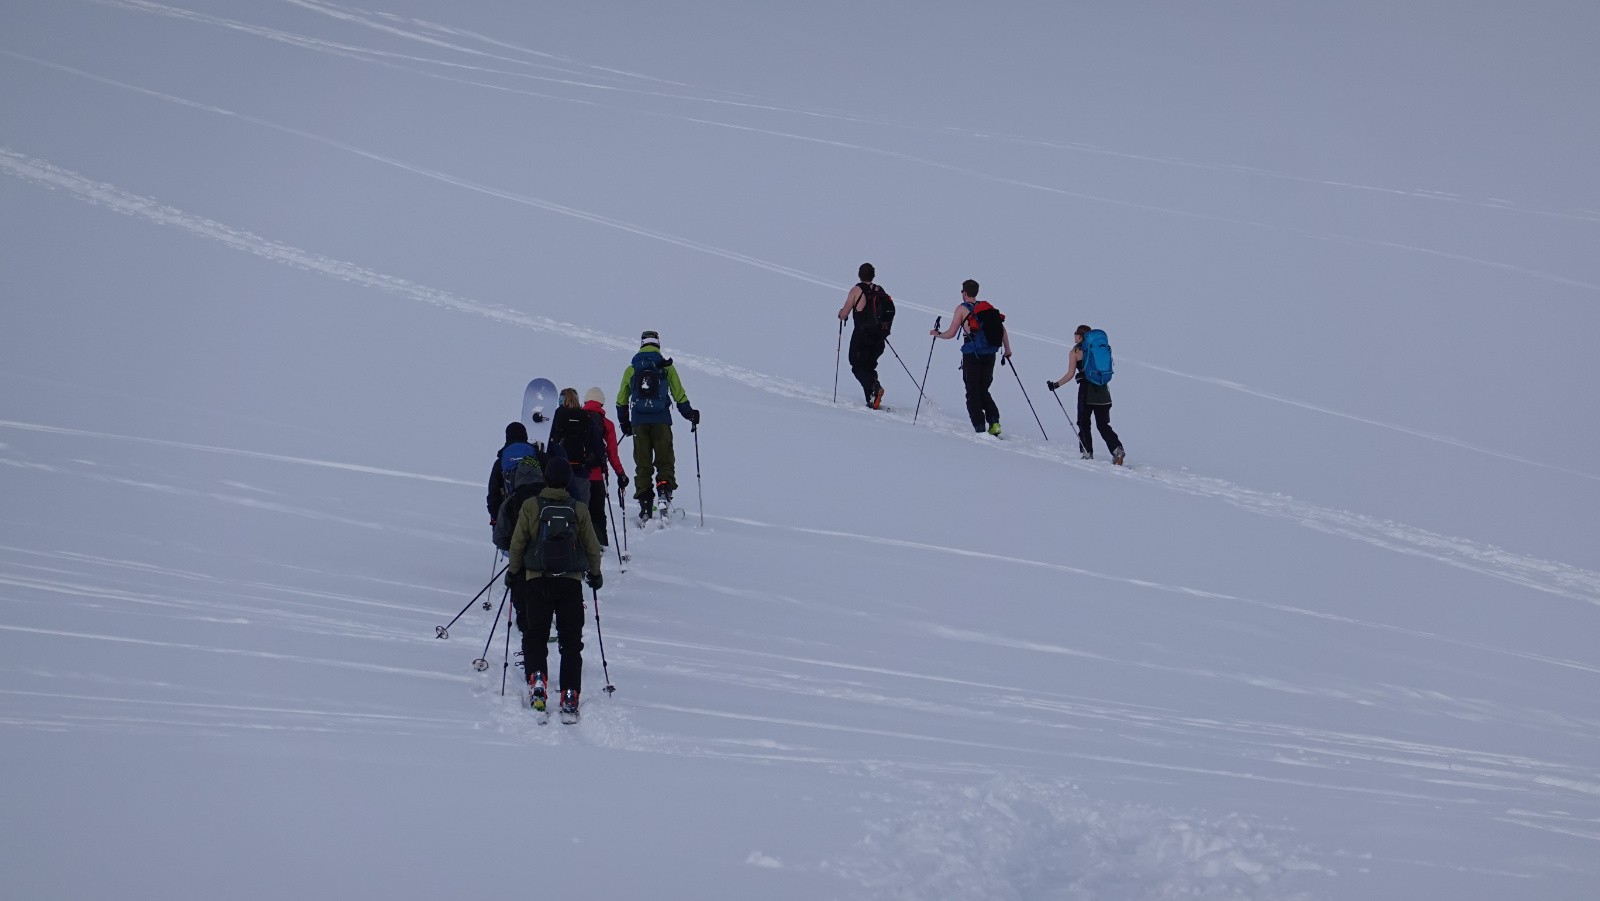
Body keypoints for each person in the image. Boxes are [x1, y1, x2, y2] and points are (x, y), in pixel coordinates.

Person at [505, 455, 604, 718]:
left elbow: (518, 543)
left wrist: (514, 572)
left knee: (535, 635)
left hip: (537, 580)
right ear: (568, 480)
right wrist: (595, 574)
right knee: (571, 642)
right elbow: (593, 547)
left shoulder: (530, 505)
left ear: (546, 478)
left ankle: (537, 679)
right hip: (569, 583)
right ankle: (570, 693)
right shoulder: (578, 508)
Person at [616, 330, 700, 520]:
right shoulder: (666, 367)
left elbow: (621, 399)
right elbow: (679, 394)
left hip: (639, 423)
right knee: (665, 460)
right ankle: (664, 494)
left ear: (642, 344)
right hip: (662, 421)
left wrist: (624, 423)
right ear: (658, 344)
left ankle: (645, 505)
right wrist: (690, 414)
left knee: (643, 464)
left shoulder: (632, 369)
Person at [930, 279, 1011, 436]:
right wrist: (1007, 349)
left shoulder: (961, 309)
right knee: (984, 389)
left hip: (972, 355)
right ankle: (994, 422)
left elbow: (951, 333)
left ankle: (979, 427)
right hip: (990, 354)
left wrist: (937, 334)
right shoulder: (987, 307)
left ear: (964, 292)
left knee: (972, 391)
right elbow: (1002, 330)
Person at [1048, 324, 1126, 464]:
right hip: (1103, 390)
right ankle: (1117, 450)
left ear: (1080, 335)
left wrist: (1056, 385)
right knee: (1103, 424)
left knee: (1083, 422)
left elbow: (1071, 374)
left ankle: (1087, 452)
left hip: (1086, 391)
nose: (1074, 336)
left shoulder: (1076, 351)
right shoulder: (1099, 349)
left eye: (1075, 333)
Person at [837, 262, 895, 409]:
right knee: (868, 366)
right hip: (878, 337)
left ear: (859, 274)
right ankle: (872, 399)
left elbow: (845, 313)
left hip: (862, 336)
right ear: (873, 275)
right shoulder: (880, 290)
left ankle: (874, 388)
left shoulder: (857, 290)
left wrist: (840, 314)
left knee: (857, 366)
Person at [582, 387, 629, 546]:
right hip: (598, 476)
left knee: (580, 512)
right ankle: (601, 544)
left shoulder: (576, 421)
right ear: (601, 404)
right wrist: (621, 474)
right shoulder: (607, 424)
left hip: (577, 476)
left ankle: (580, 544)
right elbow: (612, 454)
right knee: (598, 513)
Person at [548, 388, 603, 507]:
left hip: (558, 472)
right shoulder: (586, 417)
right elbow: (598, 446)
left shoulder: (557, 415)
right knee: (580, 510)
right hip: (581, 471)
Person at [487, 422, 538, 535]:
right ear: (525, 436)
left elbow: (493, 494)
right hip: (537, 519)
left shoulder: (501, 462)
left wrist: (497, 521)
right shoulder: (538, 457)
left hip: (511, 521)